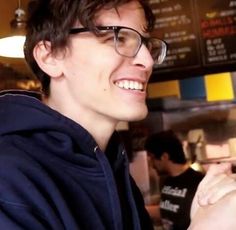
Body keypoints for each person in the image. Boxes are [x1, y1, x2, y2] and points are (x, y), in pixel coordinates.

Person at [0, 0, 236, 229]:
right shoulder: (9, 175)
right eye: (118, 37)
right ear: (49, 56)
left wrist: (199, 215)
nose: (146, 60)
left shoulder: (112, 168)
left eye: (145, 43)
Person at [144, 130, 204, 230]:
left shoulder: (198, 182)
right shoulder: (167, 181)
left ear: (164, 157)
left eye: (152, 158)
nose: (151, 164)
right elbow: (169, 211)